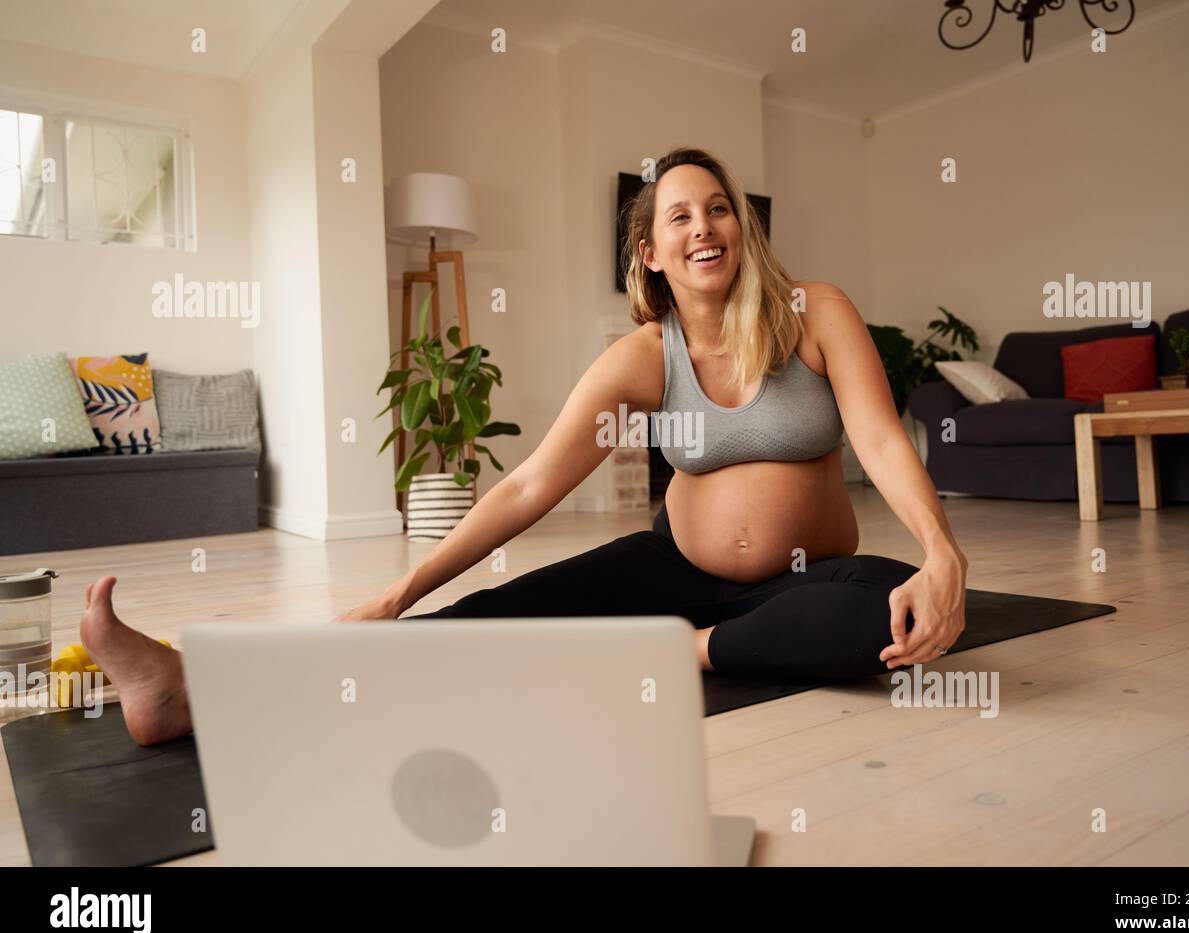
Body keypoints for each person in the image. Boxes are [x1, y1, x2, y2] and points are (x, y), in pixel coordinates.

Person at [78, 146, 967, 747]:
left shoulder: (817, 314)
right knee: (475, 629)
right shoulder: (639, 360)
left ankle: (677, 650)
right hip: (672, 572)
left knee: (887, 607)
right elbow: (530, 484)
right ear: (651, 251)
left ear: (743, 228)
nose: (705, 227)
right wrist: (396, 593)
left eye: (720, 209)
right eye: (680, 216)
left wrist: (942, 552)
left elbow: (883, 441)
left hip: (807, 581)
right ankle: (197, 690)